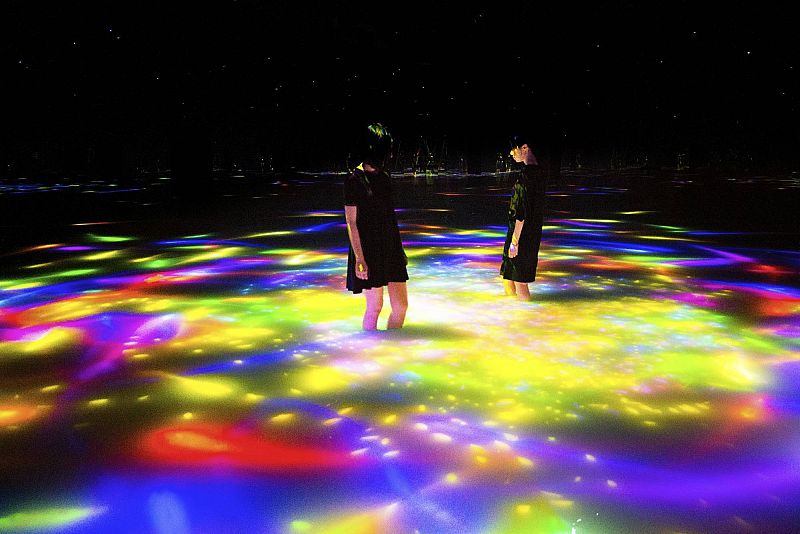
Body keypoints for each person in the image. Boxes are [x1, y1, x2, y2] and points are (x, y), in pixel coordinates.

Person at [344, 123, 409, 330]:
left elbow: (390, 216)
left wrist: (400, 250)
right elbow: (351, 222)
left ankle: (392, 344)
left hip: (390, 245)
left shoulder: (384, 177)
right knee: (375, 307)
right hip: (367, 248)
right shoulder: (354, 179)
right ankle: (370, 345)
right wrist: (359, 258)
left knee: (401, 306)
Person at [500, 135, 547, 301]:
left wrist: (514, 242)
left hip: (521, 235)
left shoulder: (527, 177)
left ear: (525, 148)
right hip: (531, 232)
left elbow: (521, 213)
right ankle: (514, 310)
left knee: (519, 279)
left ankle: (523, 311)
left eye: (514, 149)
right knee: (509, 275)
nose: (511, 153)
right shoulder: (538, 173)